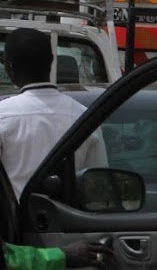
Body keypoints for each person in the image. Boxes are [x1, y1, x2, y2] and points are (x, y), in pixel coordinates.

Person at [0, 28, 107, 196]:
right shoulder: (84, 116)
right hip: (68, 218)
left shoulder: (3, 115)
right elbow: (96, 182)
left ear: (9, 67)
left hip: (15, 220)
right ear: (51, 61)